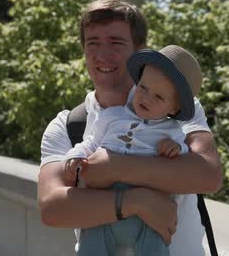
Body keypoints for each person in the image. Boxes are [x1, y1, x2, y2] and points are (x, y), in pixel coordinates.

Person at [38, 0, 222, 256]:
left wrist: (113, 167)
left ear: (140, 50)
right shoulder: (67, 126)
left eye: (116, 42)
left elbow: (208, 175)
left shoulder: (175, 105)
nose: (103, 54)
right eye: (93, 43)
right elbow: (52, 208)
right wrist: (136, 202)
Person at [62, 45, 205, 255]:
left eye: (158, 97)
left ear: (174, 108)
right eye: (143, 88)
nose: (146, 98)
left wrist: (176, 148)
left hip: (149, 219)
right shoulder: (113, 116)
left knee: (155, 249)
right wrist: (75, 156)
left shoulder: (172, 131)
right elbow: (92, 142)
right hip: (104, 208)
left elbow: (184, 161)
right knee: (90, 245)